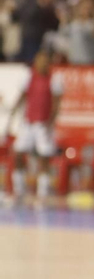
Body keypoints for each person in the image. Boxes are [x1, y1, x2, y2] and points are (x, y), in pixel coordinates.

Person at [3, 52, 63, 205]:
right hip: (28, 123)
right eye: (39, 61)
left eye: (45, 61)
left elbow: (56, 104)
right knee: (17, 154)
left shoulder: (54, 80)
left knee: (44, 157)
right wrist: (11, 115)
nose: (41, 64)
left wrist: (50, 123)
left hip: (43, 125)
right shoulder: (28, 77)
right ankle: (19, 191)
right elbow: (22, 97)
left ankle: (42, 195)